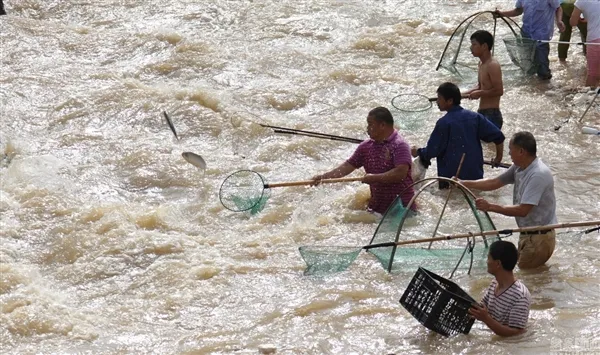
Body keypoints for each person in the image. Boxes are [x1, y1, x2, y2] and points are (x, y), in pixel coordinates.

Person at [458, 131, 557, 269]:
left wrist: (490, 206)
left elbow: (523, 210)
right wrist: (463, 183)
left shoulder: (538, 174)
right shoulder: (519, 167)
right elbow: (494, 182)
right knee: (533, 278)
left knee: (526, 277)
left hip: (539, 238)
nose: (509, 153)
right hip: (528, 235)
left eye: (511, 149)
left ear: (521, 151)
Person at [311, 107, 415, 215]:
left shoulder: (400, 145)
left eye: (371, 124)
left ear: (382, 125)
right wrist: (323, 177)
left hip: (402, 209)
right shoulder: (366, 147)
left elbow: (400, 173)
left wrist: (374, 178)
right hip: (378, 209)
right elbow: (347, 167)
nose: (367, 128)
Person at [410, 82, 505, 190]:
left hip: (450, 179)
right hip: (475, 179)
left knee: (450, 202)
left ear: (450, 101)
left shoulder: (444, 123)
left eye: (440, 98)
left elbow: (432, 151)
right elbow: (498, 136)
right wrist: (498, 158)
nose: (437, 101)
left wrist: (418, 151)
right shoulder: (475, 117)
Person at [469, 240, 531, 337]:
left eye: (488, 258)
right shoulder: (494, 284)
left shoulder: (520, 296)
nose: (487, 262)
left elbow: (516, 334)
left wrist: (486, 319)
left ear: (498, 263)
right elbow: (481, 308)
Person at [496, 0, 566, 80]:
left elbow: (558, 8)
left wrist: (559, 21)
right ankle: (532, 87)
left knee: (542, 66)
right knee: (528, 66)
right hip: (526, 34)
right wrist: (502, 14)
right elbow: (518, 11)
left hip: (541, 36)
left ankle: (545, 87)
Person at [463, 30, 505, 130]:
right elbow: (480, 86)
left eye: (474, 44)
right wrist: (460, 94)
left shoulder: (493, 65)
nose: (471, 47)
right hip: (482, 112)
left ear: (484, 46)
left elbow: (499, 91)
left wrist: (480, 93)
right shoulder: (481, 64)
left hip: (492, 114)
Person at [570, 0, 600, 87]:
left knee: (592, 73)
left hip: (594, 40)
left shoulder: (581, 1)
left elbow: (573, 22)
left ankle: (587, 98)